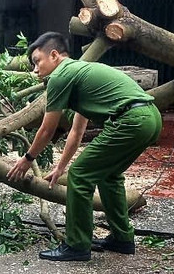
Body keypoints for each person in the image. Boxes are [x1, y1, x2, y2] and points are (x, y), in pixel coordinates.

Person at [8, 32, 162, 261]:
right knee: (109, 176)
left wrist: (28, 158)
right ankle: (122, 239)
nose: (35, 70)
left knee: (80, 176)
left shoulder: (61, 75)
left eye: (37, 61)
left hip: (131, 120)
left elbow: (46, 129)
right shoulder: (78, 74)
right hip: (150, 118)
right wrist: (60, 167)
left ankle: (77, 245)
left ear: (54, 55)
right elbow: (76, 131)